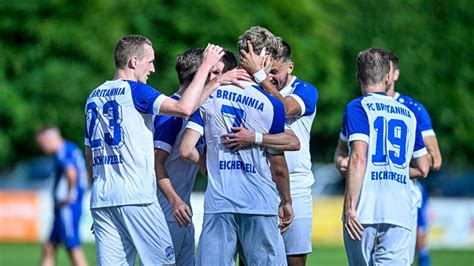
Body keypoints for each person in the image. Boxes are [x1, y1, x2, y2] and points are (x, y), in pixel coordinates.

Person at [84, 34, 229, 265]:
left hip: (103, 199)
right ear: (133, 62)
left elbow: (90, 154)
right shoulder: (135, 91)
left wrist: (108, 201)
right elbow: (184, 108)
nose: (152, 68)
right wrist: (205, 67)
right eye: (150, 61)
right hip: (137, 198)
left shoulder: (93, 97)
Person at [179, 26, 293, 265]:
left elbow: (187, 148)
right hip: (258, 202)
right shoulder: (270, 103)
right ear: (267, 58)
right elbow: (278, 164)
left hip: (220, 202)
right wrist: (286, 200)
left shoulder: (211, 94)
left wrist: (207, 166)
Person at [224, 39, 318, 266]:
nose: (271, 76)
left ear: (290, 66)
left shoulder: (304, 90)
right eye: (268, 70)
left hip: (296, 185)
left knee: (294, 260)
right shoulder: (251, 89)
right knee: (251, 259)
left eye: (275, 71)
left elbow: (284, 108)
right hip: (259, 182)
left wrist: (259, 75)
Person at [153, 47, 249, 265]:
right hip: (165, 212)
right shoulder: (172, 115)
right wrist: (175, 200)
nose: (219, 78)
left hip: (181, 214)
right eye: (213, 72)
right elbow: (155, 163)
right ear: (201, 76)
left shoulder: (200, 111)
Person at [340, 48, 429, 265]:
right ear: (388, 77)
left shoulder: (357, 107)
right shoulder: (409, 114)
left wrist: (349, 207)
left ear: (358, 78)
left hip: (364, 211)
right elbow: (423, 168)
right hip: (399, 212)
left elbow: (359, 157)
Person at [385, 51, 442, 266]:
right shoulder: (361, 107)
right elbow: (342, 153)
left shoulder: (413, 109)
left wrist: (399, 164)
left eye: (388, 71)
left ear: (395, 74)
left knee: (416, 241)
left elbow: (436, 159)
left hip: (406, 190)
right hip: (372, 191)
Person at [36, 126, 89, 266]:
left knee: (73, 247)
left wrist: (70, 195)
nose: (42, 148)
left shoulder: (62, 152)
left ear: (49, 139)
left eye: (43, 144)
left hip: (67, 207)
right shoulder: (71, 149)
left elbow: (71, 172)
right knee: (49, 247)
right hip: (65, 207)